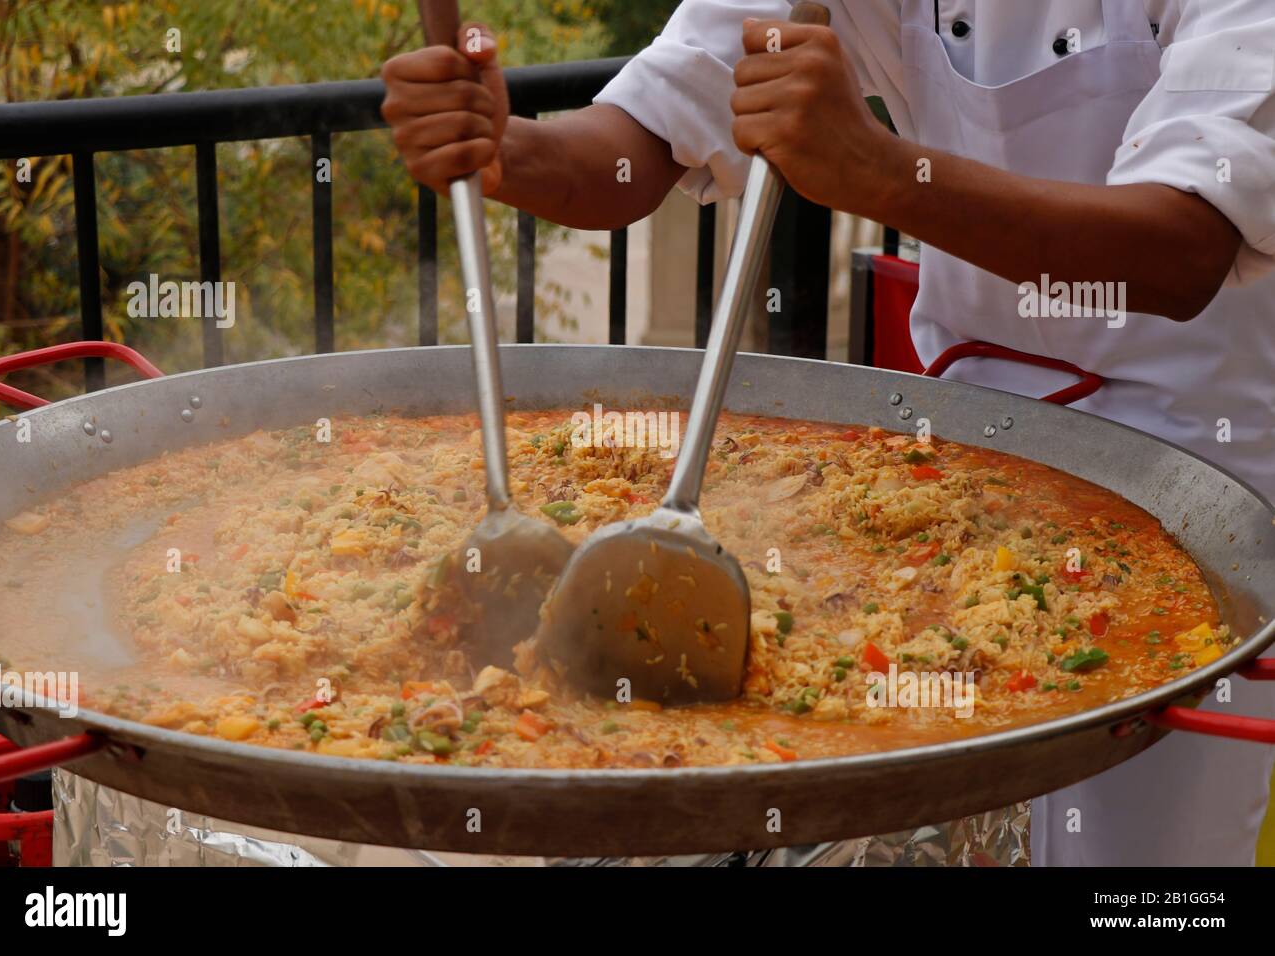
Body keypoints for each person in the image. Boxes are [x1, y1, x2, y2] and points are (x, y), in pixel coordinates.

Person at [381, 0, 1275, 865]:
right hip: (960, 463)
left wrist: (880, 173)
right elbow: (640, 143)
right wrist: (502, 148)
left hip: (1194, 480)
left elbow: (1182, 245)